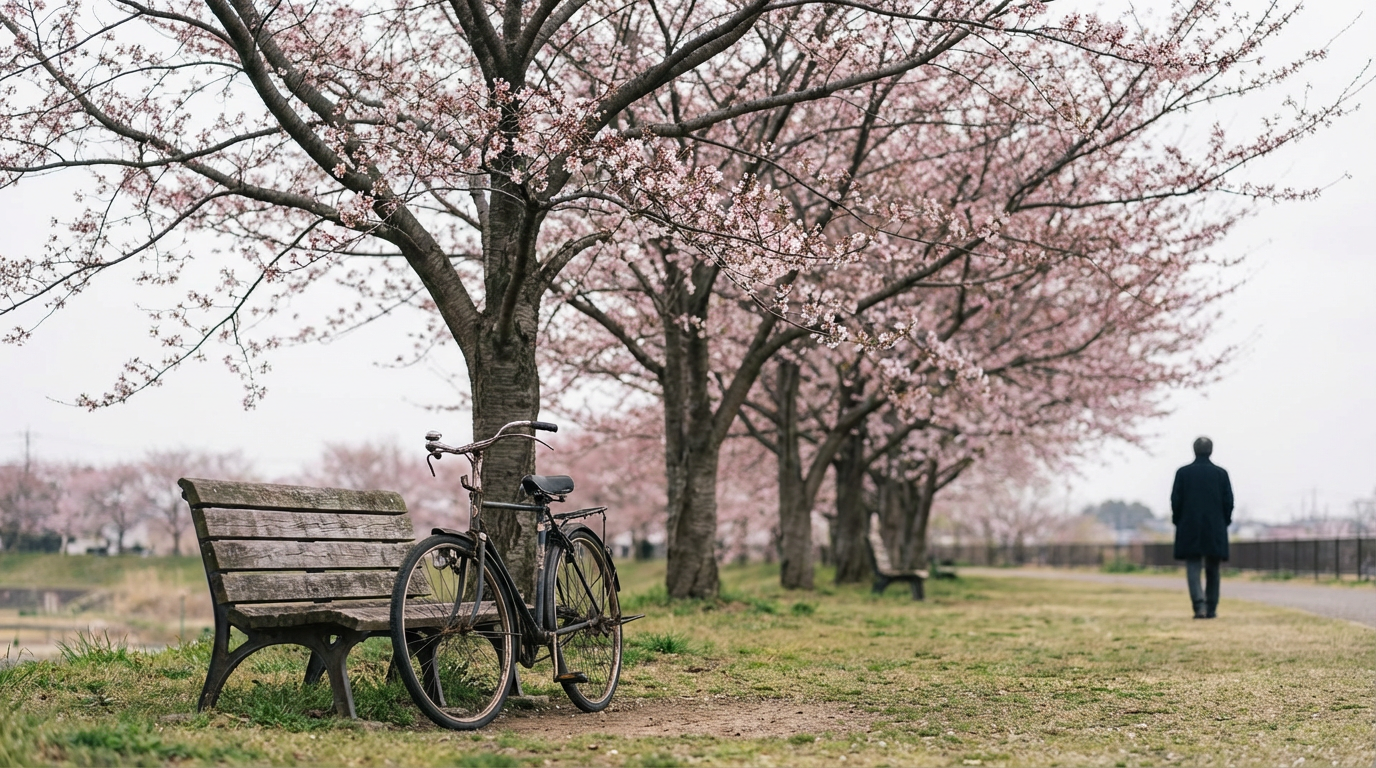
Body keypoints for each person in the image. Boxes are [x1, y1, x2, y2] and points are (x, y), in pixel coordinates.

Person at [1171, 437, 1234, 619]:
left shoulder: (1183, 473)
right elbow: (1228, 501)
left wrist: (1178, 521)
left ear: (1194, 450)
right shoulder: (1221, 474)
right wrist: (1225, 522)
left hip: (1189, 526)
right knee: (1213, 568)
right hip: (1215, 527)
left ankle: (1199, 606)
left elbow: (1176, 501)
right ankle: (1212, 607)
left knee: (1193, 566)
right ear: (1211, 450)